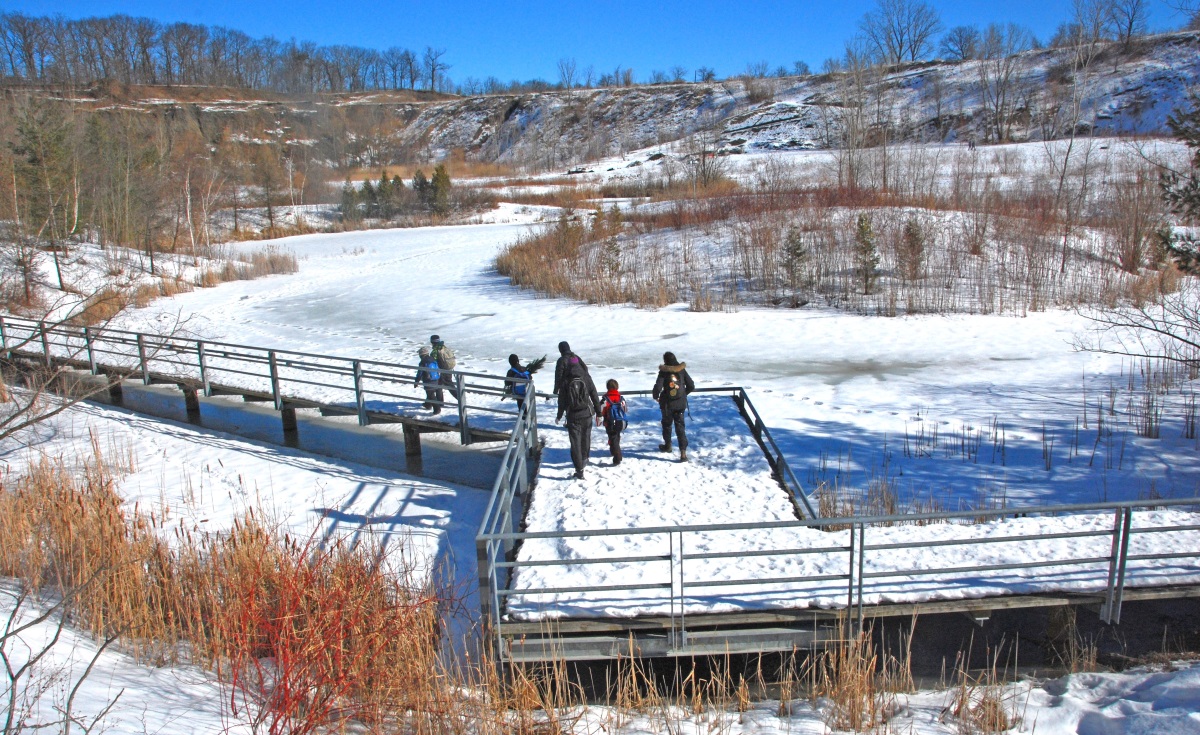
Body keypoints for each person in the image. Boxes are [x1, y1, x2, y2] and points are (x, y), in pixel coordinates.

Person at [556, 354, 600, 479]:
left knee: (575, 443)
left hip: (573, 416)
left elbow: (562, 401)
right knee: (586, 437)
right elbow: (594, 395)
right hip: (587, 413)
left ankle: (579, 469)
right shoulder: (586, 377)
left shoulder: (566, 380)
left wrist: (559, 415)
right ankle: (585, 459)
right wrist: (599, 412)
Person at [652, 351, 695, 462]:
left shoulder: (663, 372)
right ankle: (683, 453)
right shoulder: (682, 370)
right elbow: (691, 385)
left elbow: (658, 387)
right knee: (680, 427)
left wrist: (656, 396)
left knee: (667, 424)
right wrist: (684, 394)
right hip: (680, 404)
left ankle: (668, 445)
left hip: (667, 404)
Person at [599, 378, 628, 466]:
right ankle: (614, 450)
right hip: (620, 421)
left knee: (613, 438)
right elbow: (625, 409)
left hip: (610, 422)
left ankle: (617, 457)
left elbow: (601, 410)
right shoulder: (621, 398)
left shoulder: (605, 399)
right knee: (616, 436)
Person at [413, 346, 443, 414]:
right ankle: (428, 405)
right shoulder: (432, 359)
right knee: (430, 393)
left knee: (430, 394)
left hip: (428, 380)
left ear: (421, 355)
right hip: (436, 379)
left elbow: (420, 373)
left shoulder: (423, 362)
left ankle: (437, 409)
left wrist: (416, 381)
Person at [430, 335, 459, 403]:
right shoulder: (444, 347)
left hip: (442, 371)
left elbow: (432, 361)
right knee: (439, 386)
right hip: (448, 369)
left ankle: (461, 399)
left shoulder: (435, 351)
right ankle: (439, 402)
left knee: (449, 386)